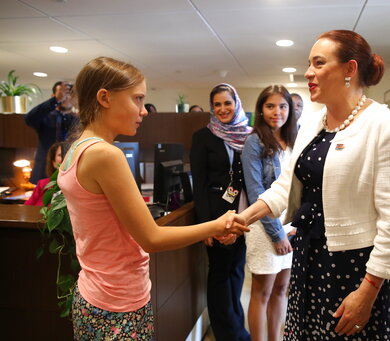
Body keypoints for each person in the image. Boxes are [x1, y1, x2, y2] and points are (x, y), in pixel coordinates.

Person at [229, 30, 390, 340]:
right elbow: (284, 187)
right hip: (309, 254)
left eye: (318, 63)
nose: (308, 72)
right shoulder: (313, 124)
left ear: (349, 69)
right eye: (308, 63)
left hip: (354, 267)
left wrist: (368, 292)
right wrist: (242, 218)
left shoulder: (385, 126)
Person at [56, 57, 248, 340]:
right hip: (118, 302)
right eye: (137, 99)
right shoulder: (106, 154)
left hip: (93, 293)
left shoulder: (77, 148)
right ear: (104, 97)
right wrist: (217, 226)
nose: (144, 111)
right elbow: (151, 238)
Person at [190, 83, 252, 341]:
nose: (223, 109)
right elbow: (200, 184)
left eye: (227, 103)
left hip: (242, 212)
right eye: (217, 104)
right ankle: (227, 333)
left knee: (236, 270)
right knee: (219, 272)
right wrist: (205, 224)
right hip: (215, 214)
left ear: (236, 103)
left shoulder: (249, 134)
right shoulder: (202, 136)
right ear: (212, 108)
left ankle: (237, 326)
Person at [241, 85, 297, 341]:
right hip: (265, 227)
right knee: (262, 293)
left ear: (290, 109)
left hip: (291, 226)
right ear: (261, 110)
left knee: (282, 289)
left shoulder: (297, 139)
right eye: (270, 106)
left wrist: (296, 226)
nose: (277, 112)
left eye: (282, 106)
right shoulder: (254, 142)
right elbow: (257, 194)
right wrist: (277, 235)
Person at [25, 81, 78, 184]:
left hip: (71, 174)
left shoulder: (78, 119)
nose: (65, 97)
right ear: (53, 95)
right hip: (44, 172)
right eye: (61, 94)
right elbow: (29, 119)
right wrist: (55, 100)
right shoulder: (45, 117)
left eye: (69, 94)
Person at [24, 142, 64, 206]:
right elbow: (27, 207)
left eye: (67, 154)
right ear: (53, 162)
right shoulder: (42, 184)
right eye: (60, 155)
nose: (64, 158)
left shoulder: (77, 186)